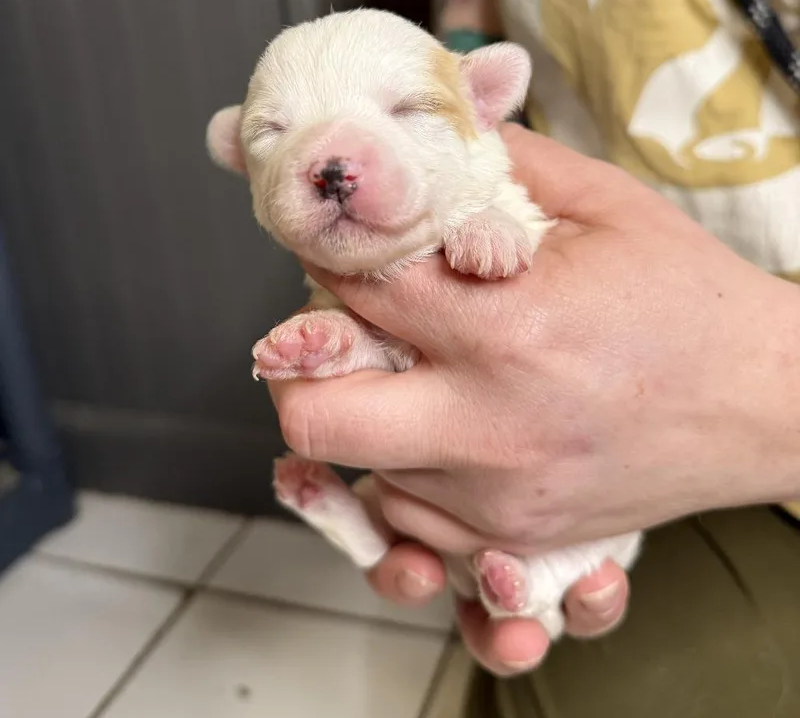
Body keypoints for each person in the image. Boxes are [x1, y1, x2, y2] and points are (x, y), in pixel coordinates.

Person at [269, 124, 800, 717]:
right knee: (405, 514)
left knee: (585, 642)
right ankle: (450, 563)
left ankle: (518, 589)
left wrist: (764, 398)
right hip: (485, 483)